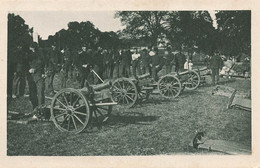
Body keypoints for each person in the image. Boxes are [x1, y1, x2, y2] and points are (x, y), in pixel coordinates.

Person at [29, 46, 46, 117]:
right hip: (35, 78)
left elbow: (35, 67)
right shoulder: (36, 57)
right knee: (38, 95)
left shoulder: (37, 58)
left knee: (39, 95)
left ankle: (39, 111)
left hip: (37, 77)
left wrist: (33, 69)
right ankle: (38, 111)